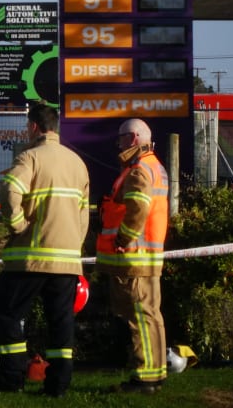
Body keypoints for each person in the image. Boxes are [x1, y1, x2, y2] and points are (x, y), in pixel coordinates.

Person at [0, 102, 90, 396]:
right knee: (61, 323)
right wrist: (74, 246)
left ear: (34, 127)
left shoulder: (30, 157)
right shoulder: (77, 163)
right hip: (67, 261)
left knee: (4, 314)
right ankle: (58, 386)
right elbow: (83, 215)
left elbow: (9, 191)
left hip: (31, 258)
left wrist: (17, 225)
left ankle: (12, 377)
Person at [96, 118, 170, 394]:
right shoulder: (156, 168)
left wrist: (122, 238)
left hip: (133, 257)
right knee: (151, 316)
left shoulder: (139, 170)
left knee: (139, 318)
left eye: (121, 139)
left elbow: (138, 207)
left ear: (134, 139)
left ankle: (145, 378)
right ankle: (155, 373)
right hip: (148, 258)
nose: (118, 144)